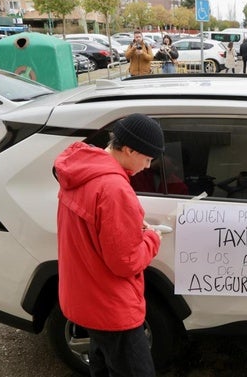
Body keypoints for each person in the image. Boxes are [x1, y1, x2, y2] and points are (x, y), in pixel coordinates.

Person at [54, 113, 165, 377]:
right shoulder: (114, 189)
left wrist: (131, 228)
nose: (148, 167)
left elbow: (92, 230)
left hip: (87, 298)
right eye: (148, 159)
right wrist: (152, 239)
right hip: (112, 308)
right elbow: (125, 263)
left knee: (102, 365)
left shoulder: (79, 171)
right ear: (128, 149)